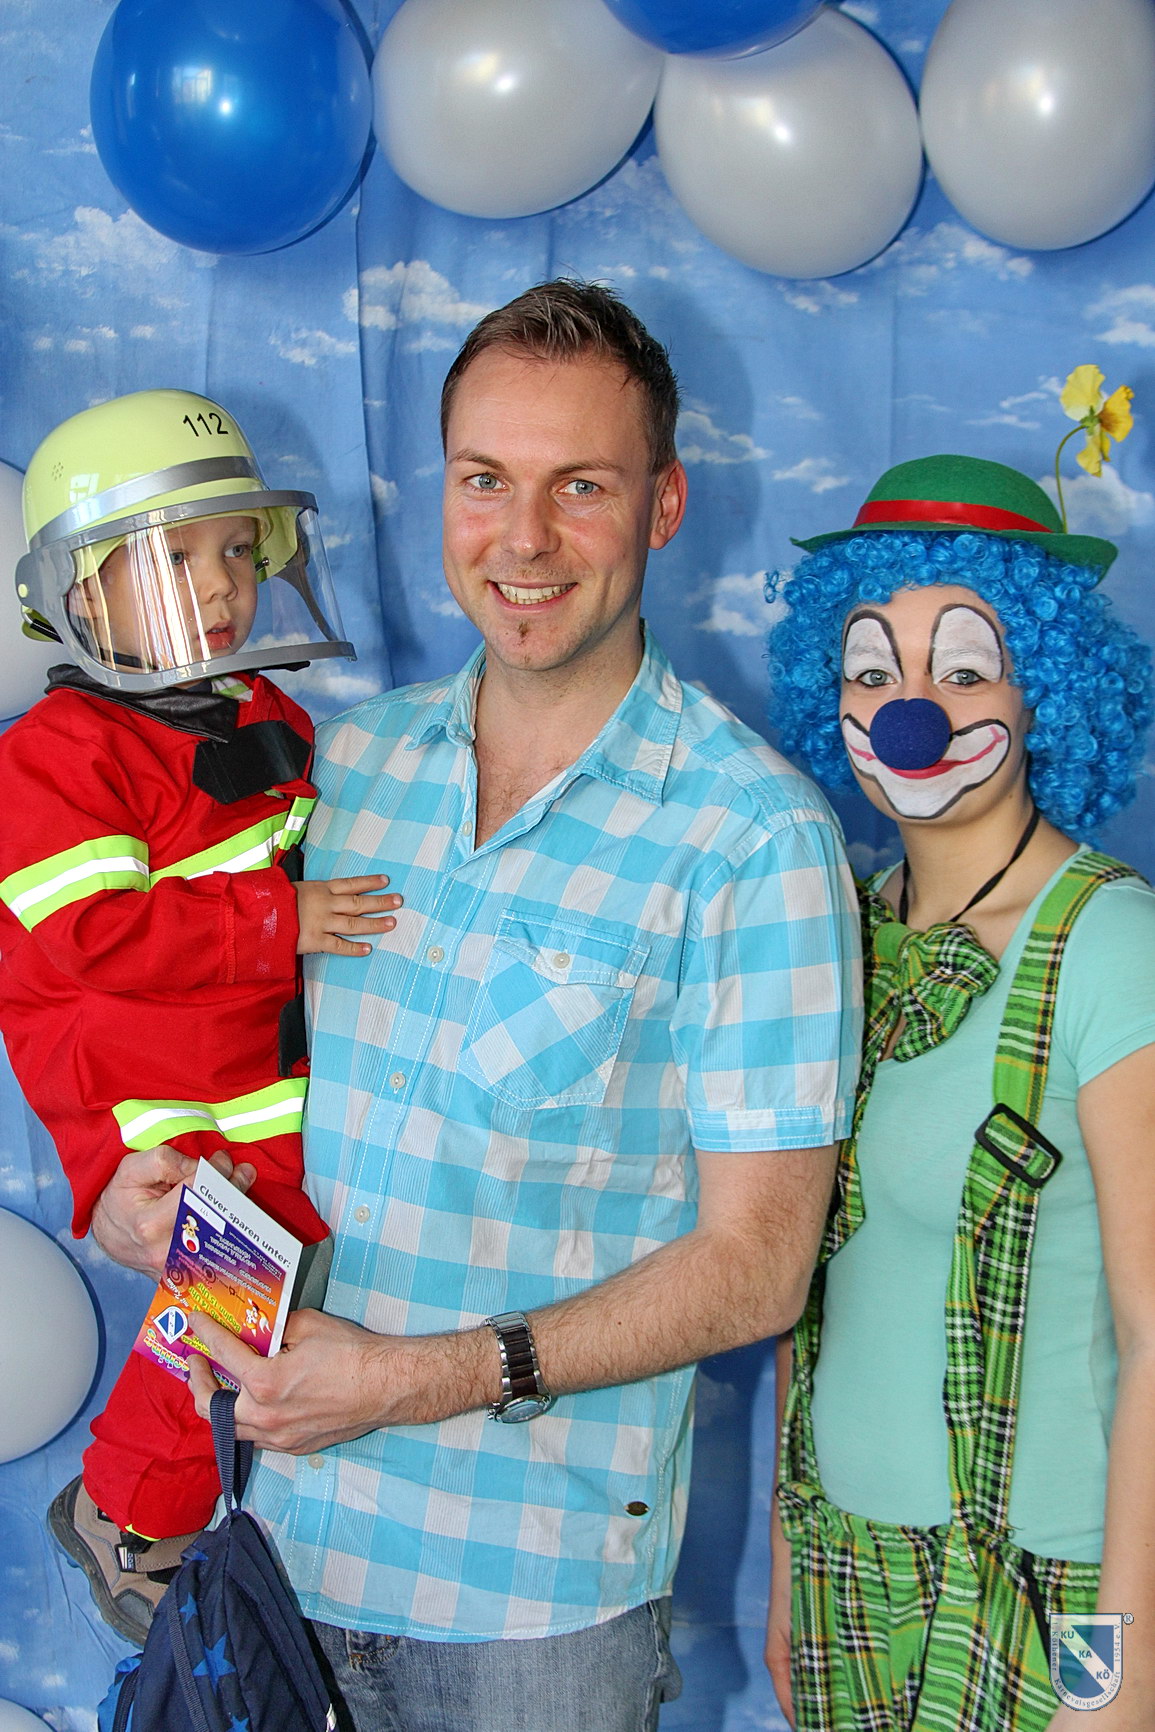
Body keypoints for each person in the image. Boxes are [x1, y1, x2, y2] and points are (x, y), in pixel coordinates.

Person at [92, 281, 863, 1731]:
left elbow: (757, 1266)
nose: (523, 539)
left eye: (581, 486)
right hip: (267, 1553)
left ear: (664, 505)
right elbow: (229, 1079)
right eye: (485, 480)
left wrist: (420, 1379)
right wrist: (150, 1203)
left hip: (530, 1626)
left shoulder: (752, 838)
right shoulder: (338, 774)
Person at [0, 389, 399, 1645]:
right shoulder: (54, 755)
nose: (221, 584)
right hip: (142, 1089)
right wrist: (285, 918)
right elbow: (89, 937)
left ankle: (186, 1497)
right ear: (80, 591)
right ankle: (125, 1510)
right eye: (174, 557)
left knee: (282, 1286)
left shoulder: (266, 718)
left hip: (253, 1072)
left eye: (236, 549)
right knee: (233, 1290)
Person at [763, 453, 1155, 1730]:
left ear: (1047, 693)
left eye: (966, 671)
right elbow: (808, 1279)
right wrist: (786, 1566)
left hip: (1046, 1601)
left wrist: (1120, 1674)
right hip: (845, 1576)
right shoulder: (846, 931)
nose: (911, 715)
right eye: (874, 673)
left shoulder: (1110, 945)